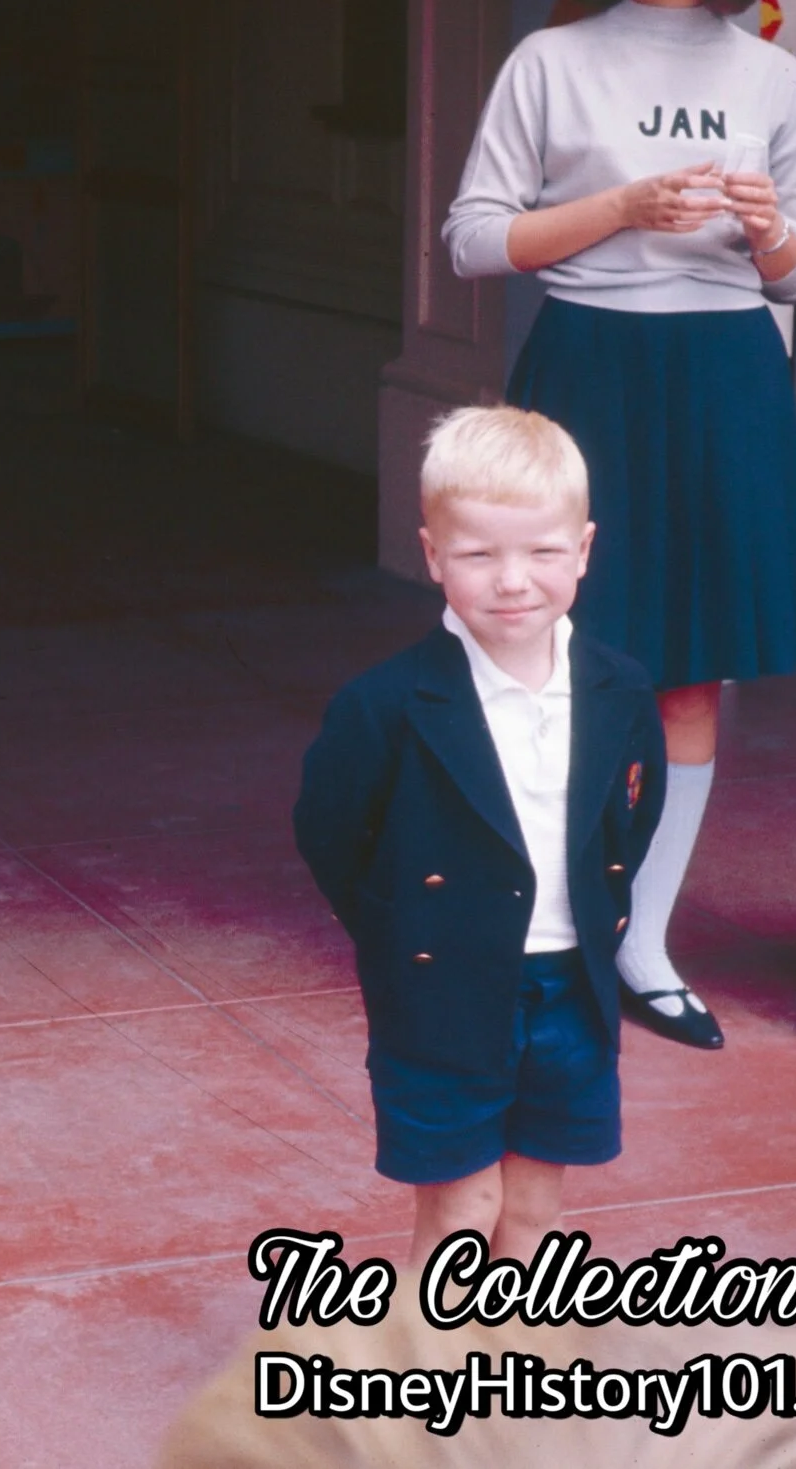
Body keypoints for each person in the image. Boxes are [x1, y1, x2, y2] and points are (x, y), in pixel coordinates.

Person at [441, 0, 796, 1051]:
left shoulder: (772, 75)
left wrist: (768, 231)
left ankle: (644, 947)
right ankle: (539, 932)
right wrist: (615, 207)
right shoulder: (549, 62)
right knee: (542, 653)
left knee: (686, 673)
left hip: (722, 374)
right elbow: (471, 238)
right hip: (587, 369)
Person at [294, 408, 668, 1266]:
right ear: (432, 554)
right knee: (465, 1206)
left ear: (582, 548)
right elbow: (331, 833)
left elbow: (628, 821)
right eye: (478, 555)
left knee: (534, 1210)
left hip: (572, 988)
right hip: (443, 994)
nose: (513, 581)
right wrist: (412, 933)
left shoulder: (619, 688)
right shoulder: (384, 705)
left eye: (541, 552)